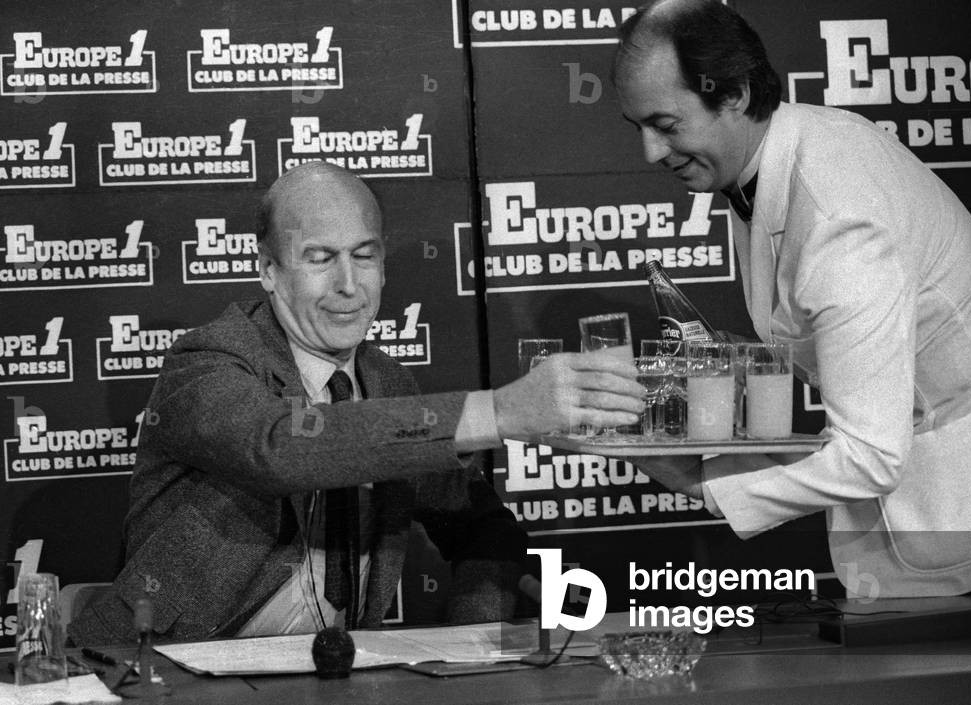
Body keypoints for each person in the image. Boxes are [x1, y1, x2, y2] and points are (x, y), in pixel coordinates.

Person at [69, 162, 645, 644]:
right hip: (161, 674)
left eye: (364, 256)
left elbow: (483, 531)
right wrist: (501, 412)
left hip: (333, 682)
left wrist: (473, 642)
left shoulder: (388, 383)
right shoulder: (208, 360)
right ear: (268, 269)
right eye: (320, 258)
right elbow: (281, 449)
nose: (349, 285)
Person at [614, 0, 971, 596]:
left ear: (733, 95)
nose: (650, 151)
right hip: (925, 493)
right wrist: (740, 359)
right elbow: (835, 328)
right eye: (639, 128)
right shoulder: (778, 154)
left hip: (956, 511)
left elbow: (871, 456)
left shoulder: (840, 215)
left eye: (667, 125)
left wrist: (702, 484)